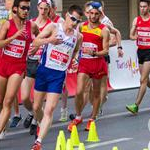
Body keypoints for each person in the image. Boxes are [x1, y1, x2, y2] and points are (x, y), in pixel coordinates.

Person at [30, 5, 83, 150]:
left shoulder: (78, 36)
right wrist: (50, 40)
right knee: (36, 107)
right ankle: (42, 124)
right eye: (72, 19)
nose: (74, 23)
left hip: (58, 75)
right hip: (44, 70)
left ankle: (38, 142)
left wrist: (68, 67)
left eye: (77, 21)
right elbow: (35, 42)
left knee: (50, 109)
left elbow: (74, 53)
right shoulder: (53, 27)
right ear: (66, 15)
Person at [67, 1, 110, 132]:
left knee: (96, 94)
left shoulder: (104, 30)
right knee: (79, 91)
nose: (93, 16)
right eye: (91, 13)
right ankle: (78, 116)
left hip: (98, 64)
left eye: (96, 14)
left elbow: (106, 51)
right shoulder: (81, 26)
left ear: (100, 15)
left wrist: (95, 53)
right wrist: (73, 55)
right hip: (84, 64)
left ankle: (92, 119)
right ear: (88, 14)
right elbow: (73, 40)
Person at [0, 0, 39, 137]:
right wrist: (14, 36)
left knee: (8, 101)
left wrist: (36, 48)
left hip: (18, 68)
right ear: (15, 9)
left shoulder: (31, 26)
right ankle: (3, 126)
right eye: (23, 8)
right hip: (3, 65)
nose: (26, 11)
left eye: (28, 8)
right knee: (0, 101)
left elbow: (39, 37)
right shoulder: (7, 24)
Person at [20, 0, 51, 136]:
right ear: (37, 8)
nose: (43, 11)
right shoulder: (31, 23)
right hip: (29, 62)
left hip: (43, 63)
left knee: (38, 100)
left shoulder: (52, 25)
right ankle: (32, 113)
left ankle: (37, 124)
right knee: (25, 97)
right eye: (41, 8)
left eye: (46, 9)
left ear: (49, 9)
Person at [126, 0, 150, 114]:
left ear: (149, 7)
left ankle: (135, 106)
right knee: (146, 80)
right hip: (140, 51)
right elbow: (131, 35)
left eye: (145, 7)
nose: (142, 9)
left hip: (149, 52)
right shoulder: (136, 20)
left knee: (142, 80)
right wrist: (136, 36)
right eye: (141, 7)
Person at [49, 0, 68, 122]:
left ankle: (64, 109)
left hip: (59, 57)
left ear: (54, 8)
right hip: (47, 57)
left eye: (49, 8)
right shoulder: (42, 22)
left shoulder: (60, 22)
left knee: (63, 85)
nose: (47, 11)